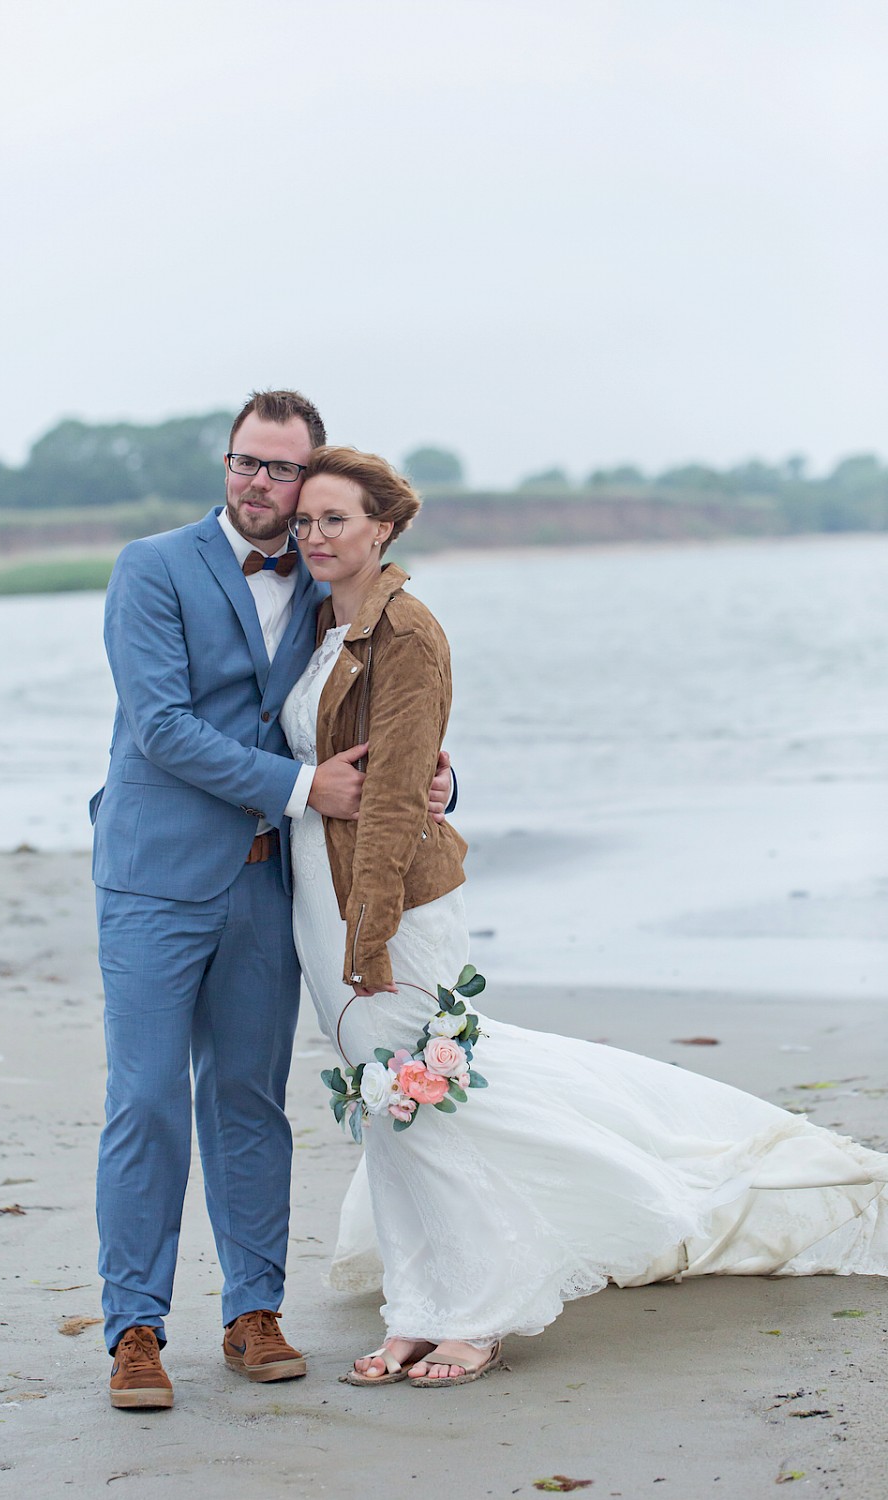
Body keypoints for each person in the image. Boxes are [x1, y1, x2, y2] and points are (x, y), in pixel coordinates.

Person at [280, 444, 888, 1387]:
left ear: (384, 528)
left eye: (337, 520)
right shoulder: (323, 621)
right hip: (326, 905)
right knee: (388, 1111)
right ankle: (416, 1303)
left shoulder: (408, 632)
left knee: (426, 1103)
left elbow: (400, 796)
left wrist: (370, 940)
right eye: (308, 519)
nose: (316, 535)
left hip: (388, 911)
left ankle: (476, 1313)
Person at [90, 389, 454, 1409]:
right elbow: (159, 727)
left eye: (283, 471)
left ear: (311, 480)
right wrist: (306, 788)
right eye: (246, 462)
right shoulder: (151, 568)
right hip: (154, 879)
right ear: (228, 466)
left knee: (249, 1101)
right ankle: (135, 1329)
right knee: (147, 1099)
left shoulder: (331, 580)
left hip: (266, 881)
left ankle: (254, 1312)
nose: (261, 484)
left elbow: (381, 699)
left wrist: (432, 778)